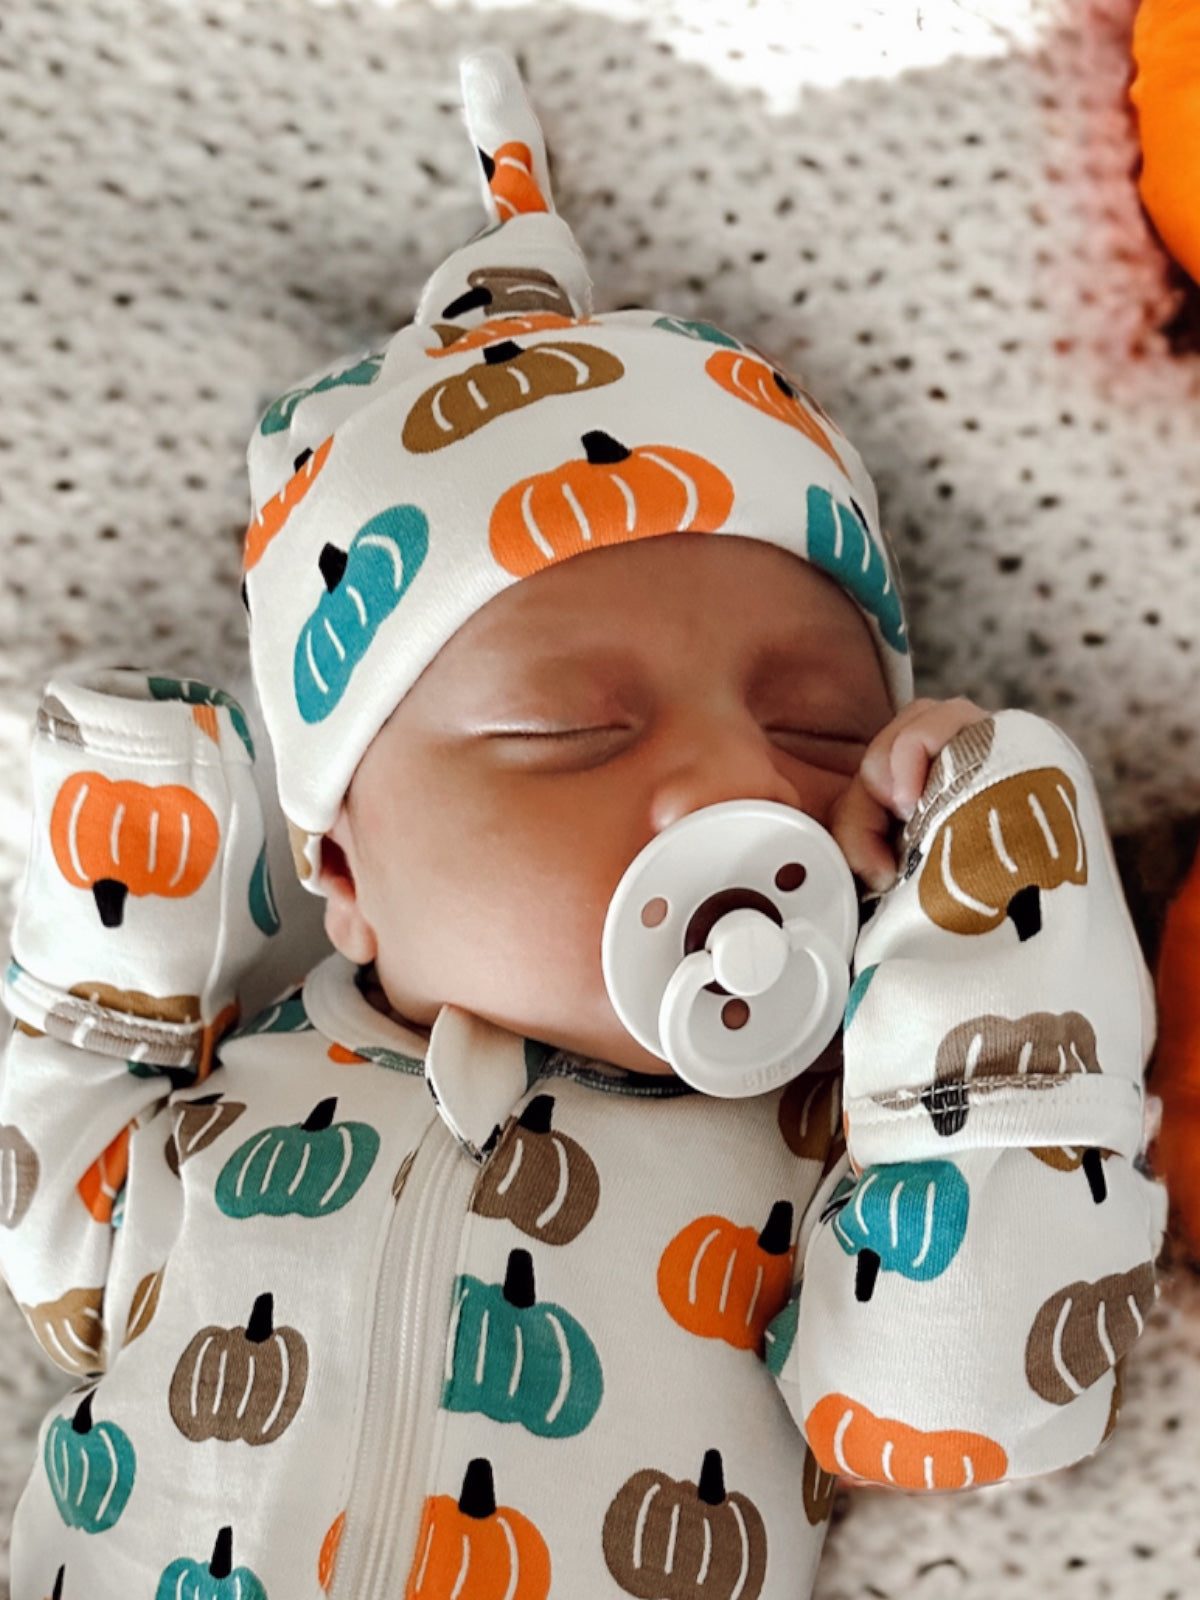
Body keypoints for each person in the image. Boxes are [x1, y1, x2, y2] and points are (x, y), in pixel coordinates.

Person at [0, 48, 1167, 1600]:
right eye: (572, 735)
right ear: (343, 873)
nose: (738, 790)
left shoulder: (822, 1157)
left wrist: (995, 934)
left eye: (821, 727)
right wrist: (121, 929)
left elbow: (956, 1404)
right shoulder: (237, 1110)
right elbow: (64, 1256)